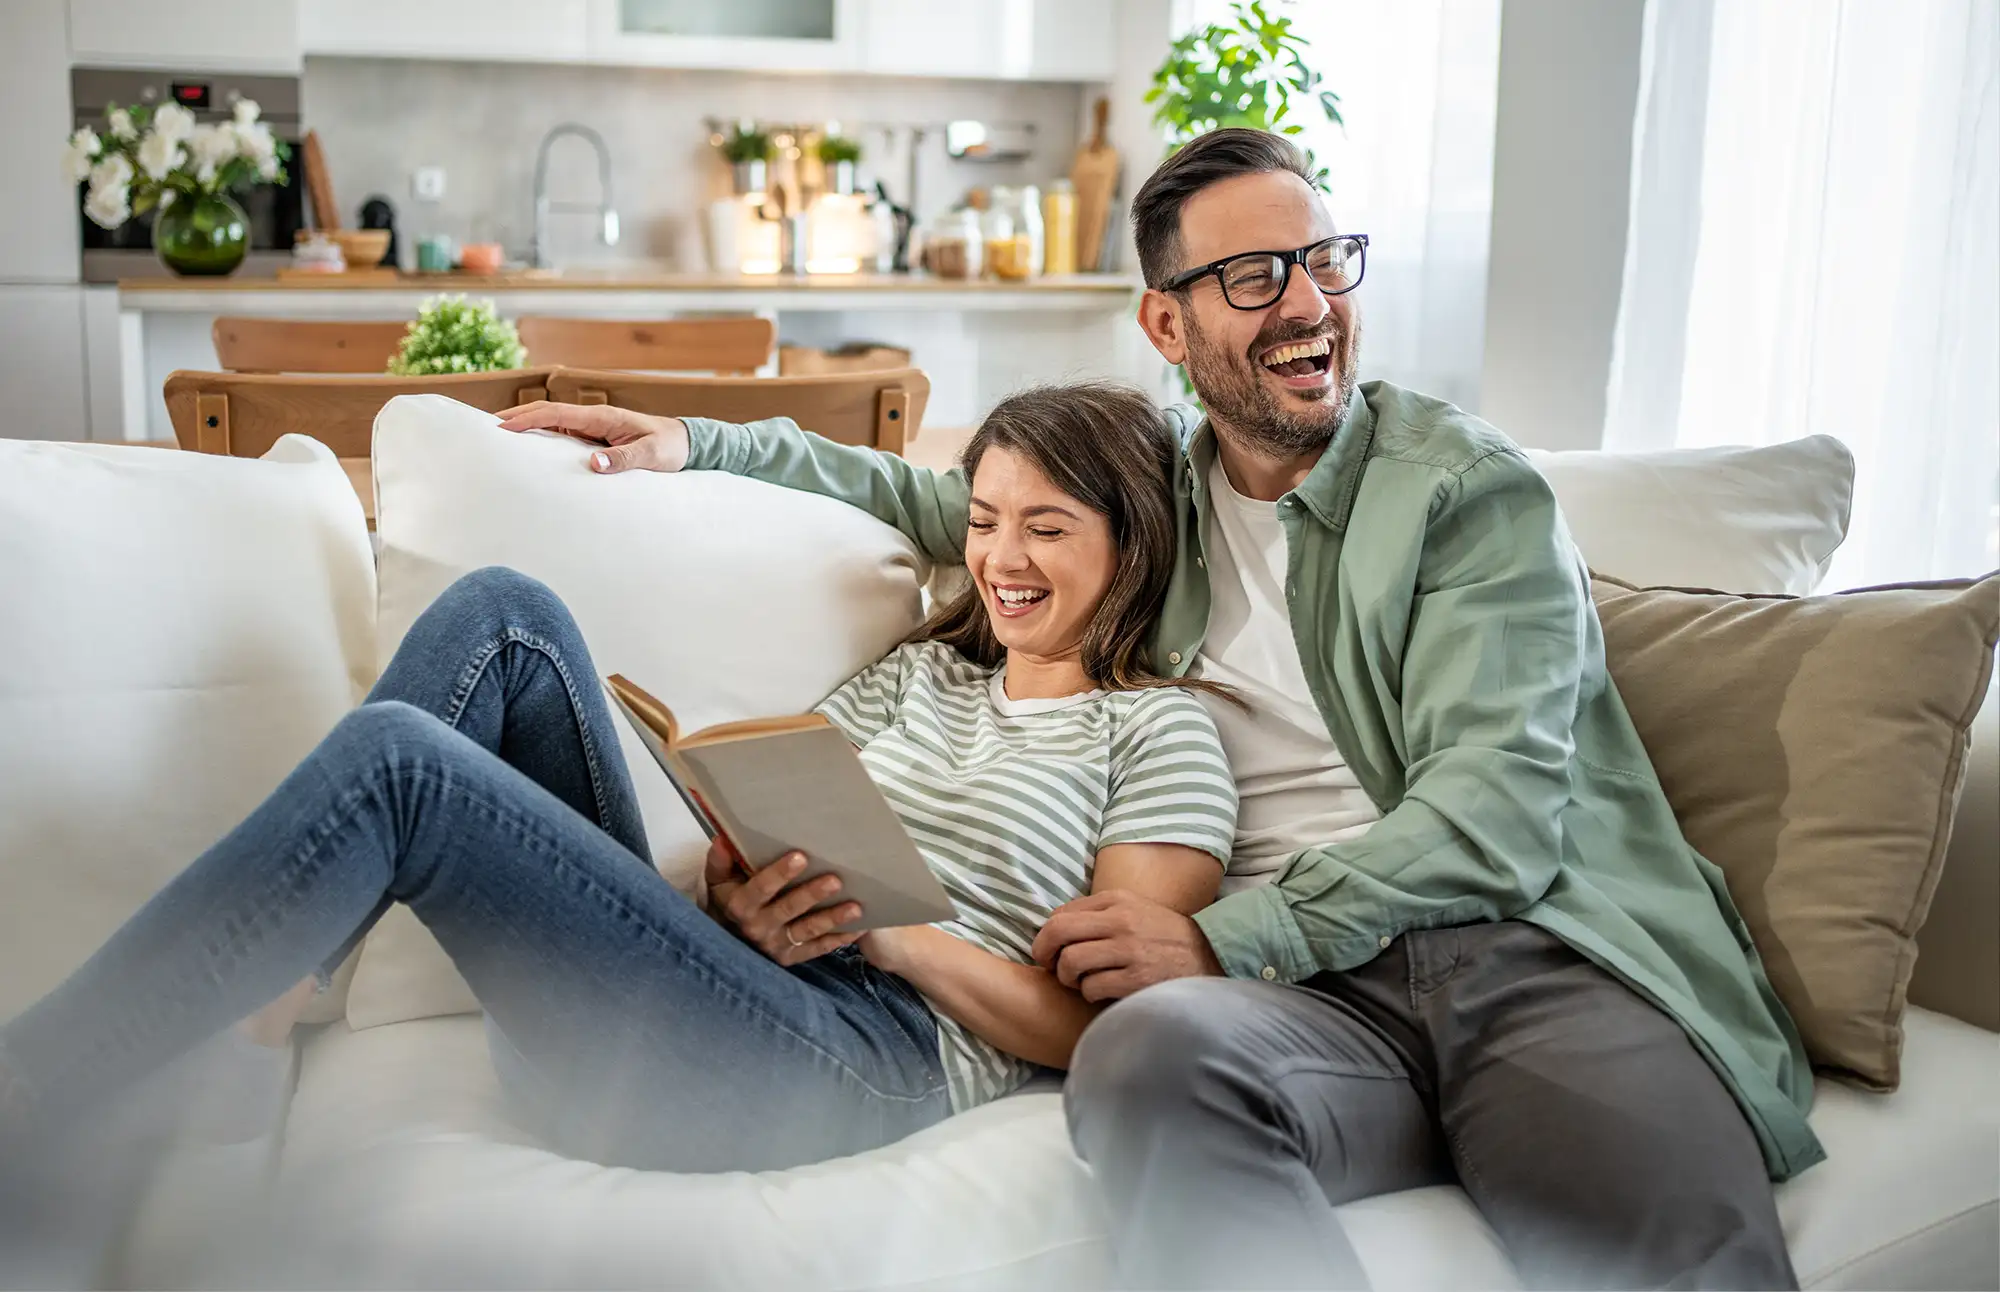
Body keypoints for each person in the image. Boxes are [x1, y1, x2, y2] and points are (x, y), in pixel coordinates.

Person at [497, 128, 1823, 1290]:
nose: (1307, 303)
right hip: (1322, 1007)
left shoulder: (1467, 496)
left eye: (1324, 260)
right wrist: (702, 444)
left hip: (1527, 960)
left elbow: (1497, 820)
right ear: (1167, 325)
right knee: (1141, 1062)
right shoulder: (1162, 510)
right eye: (1253, 277)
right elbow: (943, 498)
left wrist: (1227, 939)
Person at [0, 384, 1237, 1210]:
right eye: (979, 521)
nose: (999, 559)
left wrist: (900, 938)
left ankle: (52, 1082)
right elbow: (762, 831)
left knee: (397, 761)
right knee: (506, 617)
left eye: (1045, 527)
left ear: (1127, 541)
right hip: (714, 988)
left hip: (860, 1057)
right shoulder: (923, 669)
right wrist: (739, 890)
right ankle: (262, 992)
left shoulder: (1159, 730)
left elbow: (1113, 1036)